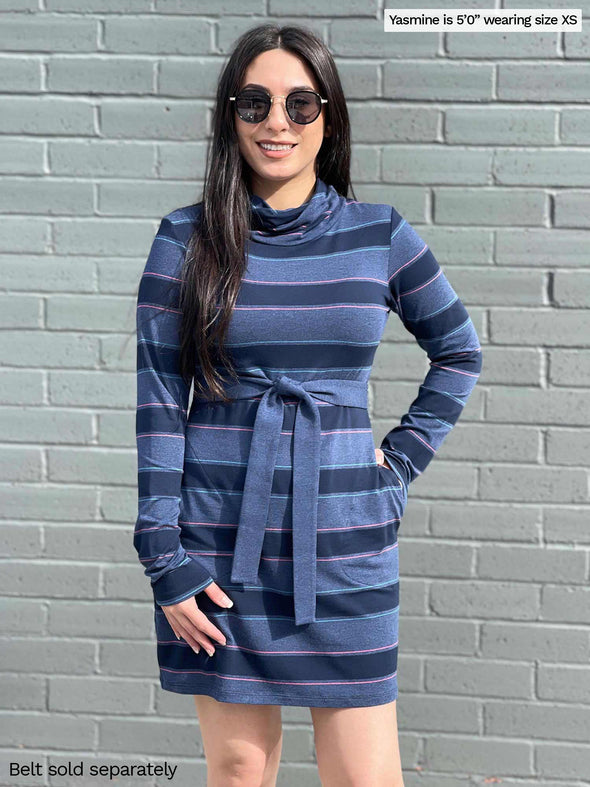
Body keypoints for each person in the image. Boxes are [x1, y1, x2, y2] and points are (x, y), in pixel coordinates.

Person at [133, 23, 482, 787]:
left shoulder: (379, 235)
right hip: (221, 549)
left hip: (347, 547)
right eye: (254, 101)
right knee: (237, 770)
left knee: (364, 776)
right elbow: (160, 403)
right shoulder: (185, 240)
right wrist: (164, 556)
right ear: (231, 114)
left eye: (300, 102)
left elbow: (460, 350)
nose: (276, 121)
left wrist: (392, 471)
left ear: (329, 115)